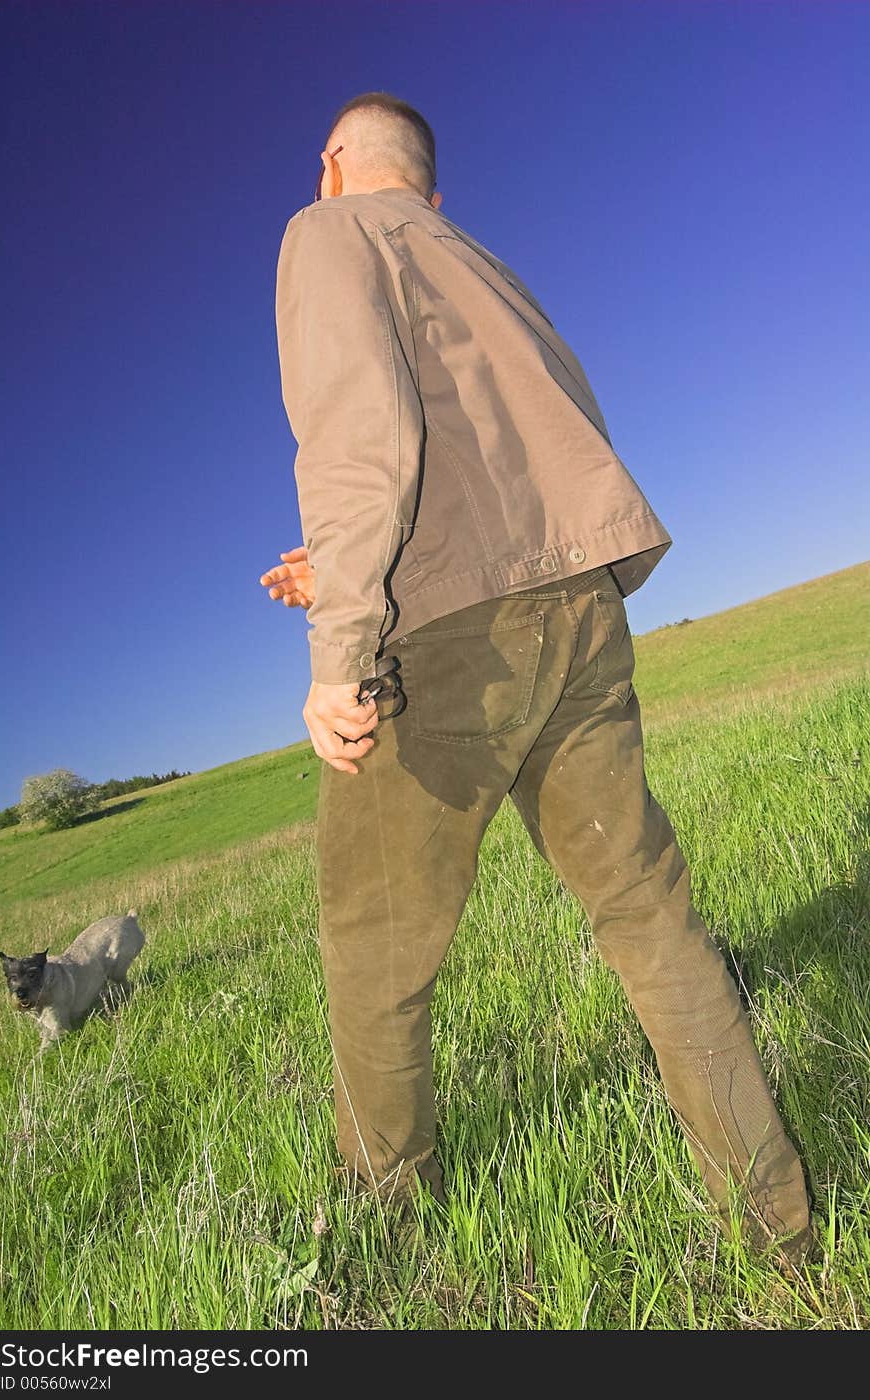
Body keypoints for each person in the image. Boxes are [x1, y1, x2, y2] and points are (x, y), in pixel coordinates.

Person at [263, 91, 812, 1267]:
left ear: (331, 166)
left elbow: (364, 439)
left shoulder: (328, 234)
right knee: (649, 916)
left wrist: (340, 648)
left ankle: (392, 1231)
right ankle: (778, 1224)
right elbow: (520, 451)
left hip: (452, 646)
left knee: (375, 952)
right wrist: (353, 570)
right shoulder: (490, 269)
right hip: (580, 609)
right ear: (435, 193)